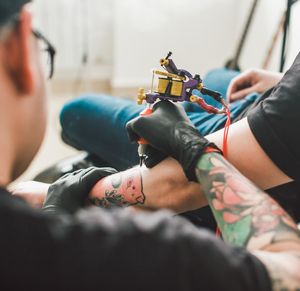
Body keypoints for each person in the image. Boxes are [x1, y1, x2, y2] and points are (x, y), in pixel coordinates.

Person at [1, 0, 300, 290]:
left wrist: (57, 192)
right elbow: (291, 270)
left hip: (264, 134)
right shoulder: (155, 253)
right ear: (19, 49)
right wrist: (198, 151)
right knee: (217, 78)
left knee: (75, 112)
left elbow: (178, 186)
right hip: (267, 111)